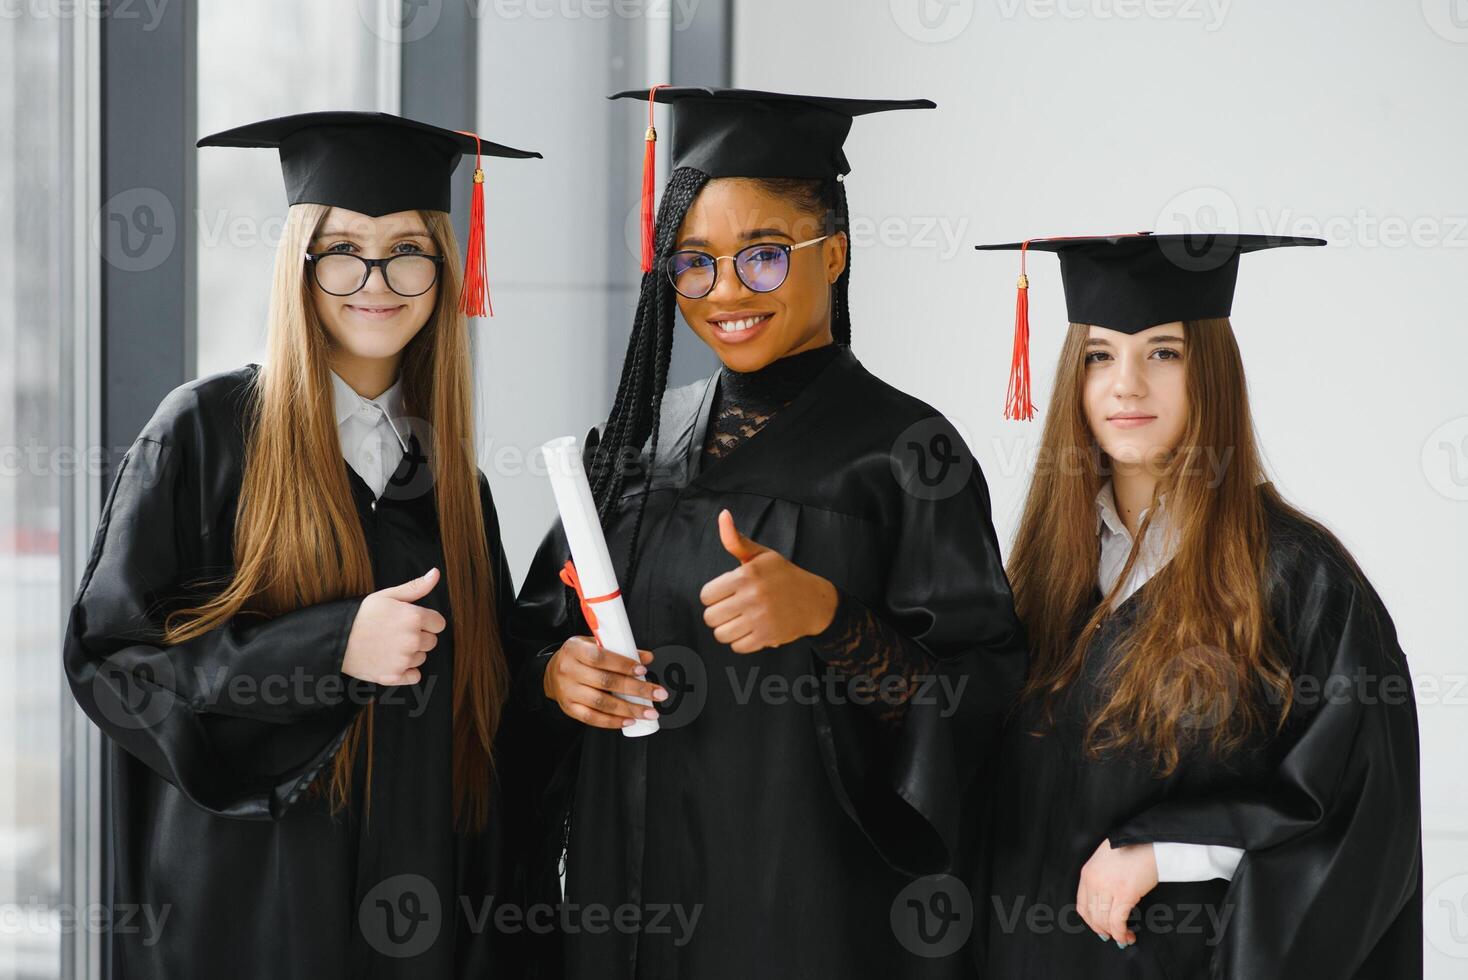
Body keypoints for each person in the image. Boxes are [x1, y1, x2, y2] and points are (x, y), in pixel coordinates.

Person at [510, 87, 1027, 979]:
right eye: (695, 264)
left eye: (762, 257)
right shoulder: (636, 444)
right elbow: (524, 646)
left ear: (835, 253)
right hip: (622, 913)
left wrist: (831, 619)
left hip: (808, 923)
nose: (724, 295)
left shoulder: (907, 455)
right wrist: (558, 676)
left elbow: (981, 705)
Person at [63, 111, 541, 979]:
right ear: (301, 266)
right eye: (344, 250)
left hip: (417, 920)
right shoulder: (204, 433)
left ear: (443, 270)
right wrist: (329, 648)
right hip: (246, 915)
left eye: (408, 250)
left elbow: (494, 721)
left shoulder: (455, 484)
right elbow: (113, 662)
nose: (377, 278)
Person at [971, 232, 1423, 978]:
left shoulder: (1299, 580)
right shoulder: (1040, 578)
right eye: (1100, 355)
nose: (1126, 385)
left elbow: (1360, 818)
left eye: (1163, 353)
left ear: (1211, 371)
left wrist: (1167, 853)